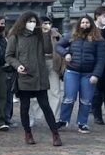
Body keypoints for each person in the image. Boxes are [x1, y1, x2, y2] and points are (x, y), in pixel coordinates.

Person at [6, 12, 63, 146]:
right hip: (25, 75)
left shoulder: (39, 36)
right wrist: (18, 65)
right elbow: (9, 56)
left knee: (45, 105)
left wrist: (51, 33)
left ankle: (55, 134)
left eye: (34, 21)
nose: (32, 24)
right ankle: (28, 133)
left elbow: (52, 46)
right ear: (23, 22)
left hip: (40, 76)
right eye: (29, 21)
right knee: (25, 106)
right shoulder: (15, 37)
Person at [56, 15, 105, 133]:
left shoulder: (98, 40)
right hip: (72, 71)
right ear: (79, 24)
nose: (85, 25)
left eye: (87, 23)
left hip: (88, 73)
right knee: (69, 98)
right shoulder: (72, 36)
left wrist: (96, 74)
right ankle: (63, 120)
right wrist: (65, 54)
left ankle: (82, 123)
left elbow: (101, 59)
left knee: (86, 100)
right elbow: (58, 45)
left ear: (91, 24)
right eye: (83, 23)